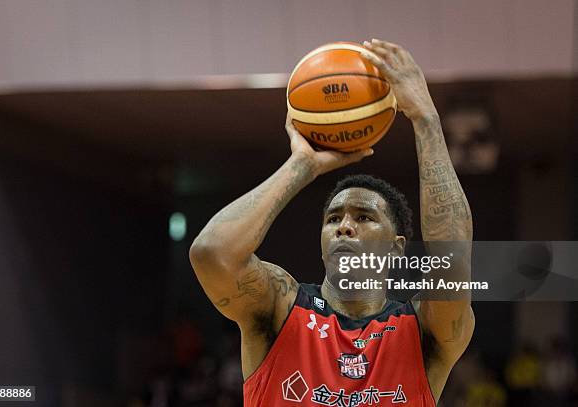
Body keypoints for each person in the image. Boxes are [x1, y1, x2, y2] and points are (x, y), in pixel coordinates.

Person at [189, 38, 475, 406]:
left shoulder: (423, 330)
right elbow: (212, 253)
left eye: (365, 217)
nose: (344, 226)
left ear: (396, 247)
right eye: (333, 218)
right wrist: (301, 166)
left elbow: (453, 261)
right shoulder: (280, 307)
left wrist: (426, 121)